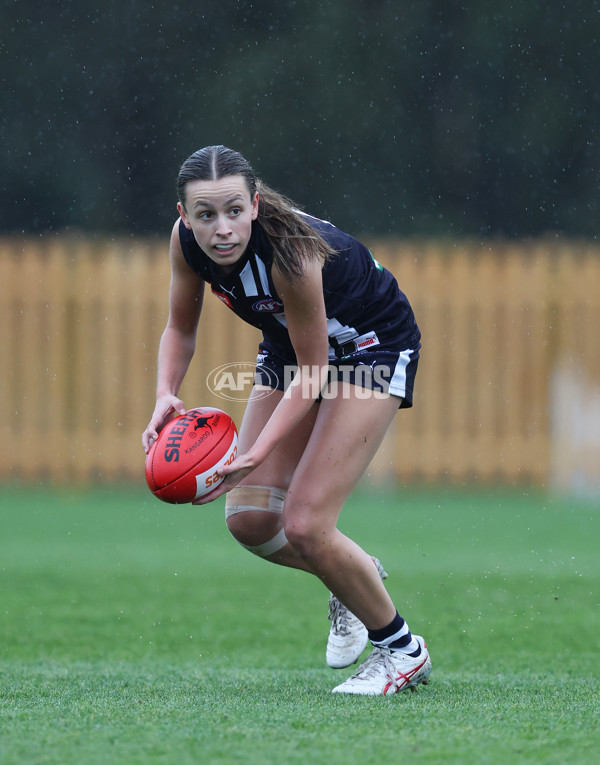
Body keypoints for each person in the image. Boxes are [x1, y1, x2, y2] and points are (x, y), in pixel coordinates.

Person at [142, 145, 431, 695]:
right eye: (205, 215)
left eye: (233, 210)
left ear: (254, 204)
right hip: (292, 349)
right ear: (184, 217)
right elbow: (180, 329)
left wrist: (252, 455)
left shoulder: (292, 253)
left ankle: (403, 652)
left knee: (304, 524)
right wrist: (164, 395)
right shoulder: (186, 245)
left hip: (370, 348)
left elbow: (316, 372)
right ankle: (351, 574)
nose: (221, 228)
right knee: (249, 520)